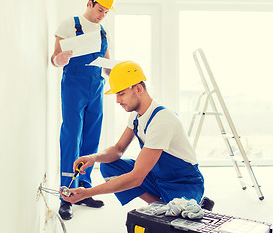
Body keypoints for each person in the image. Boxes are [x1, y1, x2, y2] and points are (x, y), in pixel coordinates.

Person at [60, 61, 205, 207]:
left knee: (175, 222)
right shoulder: (136, 116)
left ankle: (185, 205)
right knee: (109, 166)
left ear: (138, 88)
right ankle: (159, 205)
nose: (117, 100)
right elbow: (117, 150)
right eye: (116, 94)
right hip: (158, 177)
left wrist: (87, 193)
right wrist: (94, 157)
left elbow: (136, 178)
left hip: (182, 182)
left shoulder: (162, 121)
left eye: (121, 94)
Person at [50, 0, 116, 220]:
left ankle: (84, 190)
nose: (102, 16)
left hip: (96, 86)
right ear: (90, 3)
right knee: (71, 137)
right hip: (74, 86)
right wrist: (60, 59)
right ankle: (66, 195)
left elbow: (107, 64)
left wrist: (118, 70)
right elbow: (54, 58)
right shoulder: (69, 24)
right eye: (100, 10)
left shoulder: (103, 31)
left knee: (91, 138)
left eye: (106, 12)